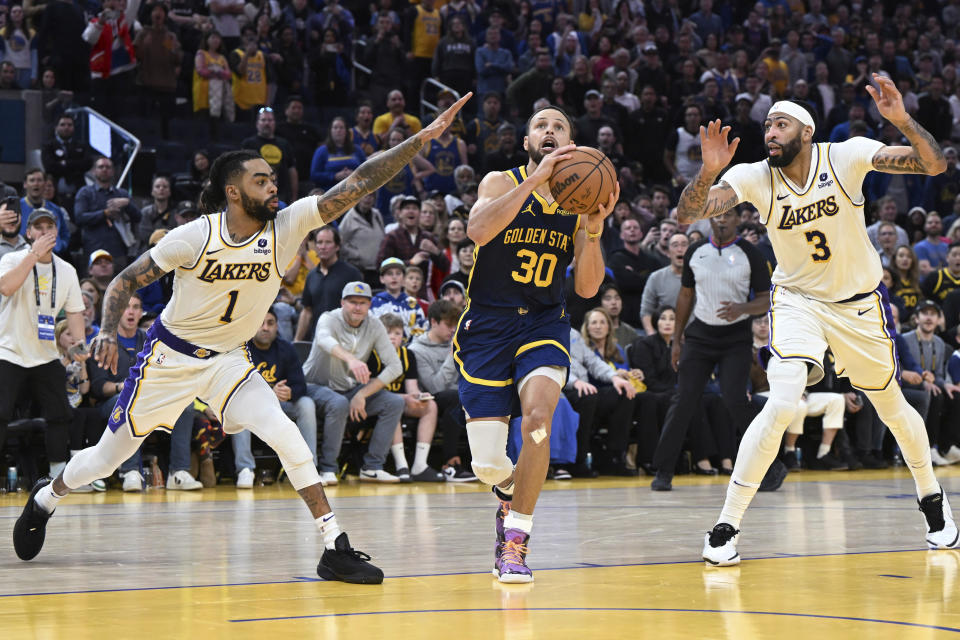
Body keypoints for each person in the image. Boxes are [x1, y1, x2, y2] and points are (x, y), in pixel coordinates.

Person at [12, 94, 472, 583]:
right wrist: (106, 330)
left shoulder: (287, 225)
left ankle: (333, 544)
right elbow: (125, 280)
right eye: (261, 180)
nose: (273, 185)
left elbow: (355, 183)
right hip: (169, 358)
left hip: (229, 360)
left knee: (287, 434)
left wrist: (417, 142)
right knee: (108, 458)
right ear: (234, 192)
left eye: (273, 178)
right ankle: (47, 494)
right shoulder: (194, 236)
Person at [683, 78, 957, 567]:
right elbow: (691, 213)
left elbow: (935, 164)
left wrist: (901, 121)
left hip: (857, 305)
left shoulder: (845, 156)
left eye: (780, 123)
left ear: (806, 131)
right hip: (798, 300)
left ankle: (932, 498)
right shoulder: (755, 176)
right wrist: (707, 172)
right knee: (782, 400)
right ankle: (726, 526)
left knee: (892, 407)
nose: (770, 131)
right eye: (766, 124)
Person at [453, 104, 616, 582]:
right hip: (486, 327)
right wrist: (535, 181)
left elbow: (587, 289)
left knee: (539, 422)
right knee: (486, 464)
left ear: (572, 143)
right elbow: (478, 230)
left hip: (544, 323)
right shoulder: (500, 183)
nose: (549, 130)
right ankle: (507, 493)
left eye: (559, 125)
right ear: (528, 143)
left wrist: (592, 230)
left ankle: (516, 543)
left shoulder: (579, 201)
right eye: (540, 125)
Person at [649, 208, 772, 492]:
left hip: (735, 339)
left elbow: (766, 301)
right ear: (710, 220)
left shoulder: (751, 254)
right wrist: (677, 340)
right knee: (683, 400)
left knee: (734, 400)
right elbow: (686, 295)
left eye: (728, 215)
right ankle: (664, 470)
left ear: (737, 220)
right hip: (700, 335)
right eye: (716, 215)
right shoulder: (696, 251)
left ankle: (769, 465)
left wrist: (742, 308)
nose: (721, 220)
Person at [0, 207, 85, 483]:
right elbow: (6, 287)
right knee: (1, 413)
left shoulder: (67, 270)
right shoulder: (12, 258)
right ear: (28, 233)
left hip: (46, 354)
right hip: (9, 351)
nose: (44, 231)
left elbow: (74, 313)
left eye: (49, 227)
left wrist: (79, 348)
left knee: (60, 412)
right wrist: (33, 255)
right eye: (38, 227)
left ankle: (58, 473)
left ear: (57, 232)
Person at [302, 281, 406, 483]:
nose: (358, 307)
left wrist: (362, 394)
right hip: (313, 386)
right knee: (338, 403)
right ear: (342, 302)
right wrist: (351, 359)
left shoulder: (374, 325)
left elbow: (395, 366)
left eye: (363, 302)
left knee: (394, 402)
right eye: (352, 302)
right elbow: (323, 340)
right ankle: (328, 468)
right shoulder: (329, 318)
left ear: (370, 305)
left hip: (348, 389)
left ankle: (372, 467)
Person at [234, 307, 318, 488]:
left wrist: (290, 392)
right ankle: (245, 469)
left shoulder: (286, 348)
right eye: (261, 323)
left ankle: (310, 469)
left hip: (279, 406)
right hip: (251, 408)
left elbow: (300, 385)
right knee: (237, 409)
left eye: (270, 323)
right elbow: (236, 388)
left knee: (306, 403)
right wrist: (268, 393)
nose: (265, 328)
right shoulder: (241, 349)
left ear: (277, 326)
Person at [374, 312, 445, 482]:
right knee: (394, 403)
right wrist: (405, 397)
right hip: (377, 402)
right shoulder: (373, 354)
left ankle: (420, 465)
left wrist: (420, 396)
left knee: (430, 406)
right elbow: (374, 390)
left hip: (400, 399)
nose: (392, 337)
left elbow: (411, 388)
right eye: (388, 333)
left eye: (397, 333)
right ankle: (401, 465)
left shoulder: (408, 355)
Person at [294, 227, 363, 341]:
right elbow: (307, 312)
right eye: (320, 242)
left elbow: (360, 309)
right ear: (315, 247)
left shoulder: (352, 274)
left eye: (328, 242)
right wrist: (296, 341)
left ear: (337, 246)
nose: (323, 246)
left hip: (346, 340)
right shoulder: (311, 276)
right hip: (318, 340)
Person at [74, 157, 141, 269]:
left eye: (108, 167)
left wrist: (128, 204)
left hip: (118, 252)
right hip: (94, 251)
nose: (104, 169)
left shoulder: (122, 194)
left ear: (113, 171)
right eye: (101, 167)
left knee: (121, 286)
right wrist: (105, 213)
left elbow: (138, 217)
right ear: (94, 171)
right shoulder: (85, 192)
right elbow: (79, 218)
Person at [640, 232, 688, 335]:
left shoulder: (700, 277)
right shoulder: (656, 278)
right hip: (665, 340)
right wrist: (651, 335)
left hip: (694, 341)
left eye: (684, 245)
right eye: (675, 245)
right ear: (668, 252)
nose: (680, 249)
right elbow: (646, 311)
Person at [370, 257, 428, 340]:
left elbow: (421, 329)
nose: (394, 277)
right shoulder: (373, 303)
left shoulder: (413, 304)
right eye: (389, 273)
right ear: (382, 279)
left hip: (408, 350)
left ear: (404, 278)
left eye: (398, 273)